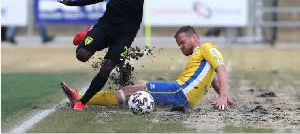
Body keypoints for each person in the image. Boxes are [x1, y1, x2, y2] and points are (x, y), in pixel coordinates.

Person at [57, 0, 171, 111]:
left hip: (126, 32)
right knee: (81, 55)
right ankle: (90, 32)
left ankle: (81, 102)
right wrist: (71, 3)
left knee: (106, 68)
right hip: (106, 25)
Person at [61, 25, 237, 111]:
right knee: (140, 84)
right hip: (181, 93)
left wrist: (223, 95)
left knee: (129, 89)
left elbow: (221, 69)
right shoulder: (200, 59)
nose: (181, 47)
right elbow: (212, 77)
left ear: (194, 38)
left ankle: (80, 98)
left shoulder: (206, 48)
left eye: (182, 43)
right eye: (178, 44)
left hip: (180, 93)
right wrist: (222, 95)